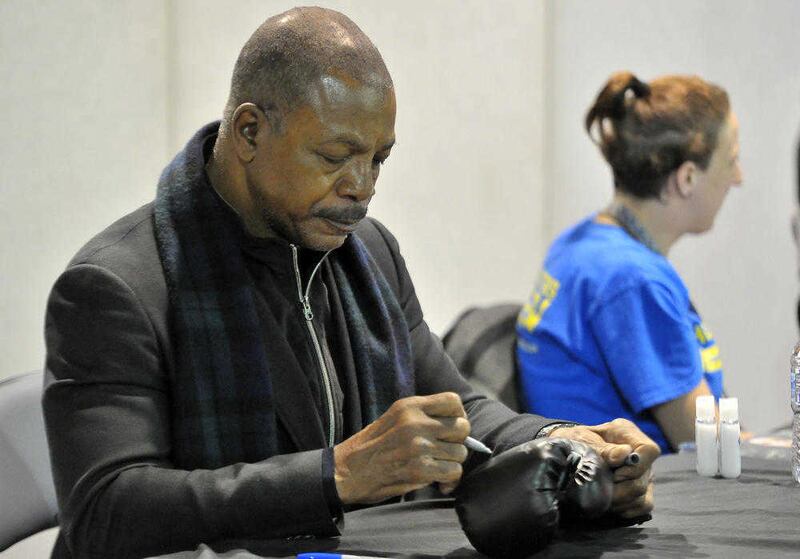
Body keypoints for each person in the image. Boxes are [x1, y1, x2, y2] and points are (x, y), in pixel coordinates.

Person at [43, 10, 658, 558]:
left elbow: (458, 409)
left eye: (378, 159)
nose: (362, 187)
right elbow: (105, 511)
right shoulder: (114, 286)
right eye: (336, 156)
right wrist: (334, 475)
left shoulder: (369, 250)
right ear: (251, 132)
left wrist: (565, 440)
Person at [516, 71, 742, 454]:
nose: (738, 178)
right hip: (655, 498)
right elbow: (713, 447)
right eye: (731, 161)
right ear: (687, 178)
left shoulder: (580, 242)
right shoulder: (632, 281)